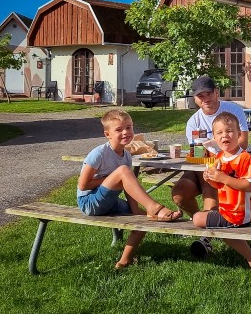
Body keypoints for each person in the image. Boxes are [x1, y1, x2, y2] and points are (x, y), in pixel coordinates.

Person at [77, 109, 181, 270]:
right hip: (89, 202)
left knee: (143, 217)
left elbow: (129, 186)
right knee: (124, 172)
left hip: (109, 202)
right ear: (107, 134)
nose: (125, 132)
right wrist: (115, 177)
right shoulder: (99, 153)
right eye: (118, 129)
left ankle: (125, 260)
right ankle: (154, 207)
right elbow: (82, 185)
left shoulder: (126, 156)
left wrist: (135, 210)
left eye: (129, 127)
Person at [171, 75, 250, 257]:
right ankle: (205, 219)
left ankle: (206, 238)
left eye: (209, 94)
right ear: (195, 99)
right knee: (179, 194)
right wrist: (210, 152)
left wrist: (216, 149)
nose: (206, 99)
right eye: (201, 96)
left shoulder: (233, 110)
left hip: (229, 166)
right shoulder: (193, 121)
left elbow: (243, 143)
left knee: (210, 182)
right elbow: (197, 153)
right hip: (202, 166)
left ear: (216, 92)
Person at [191, 112, 251, 286]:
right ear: (214, 138)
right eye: (219, 133)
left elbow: (250, 185)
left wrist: (223, 178)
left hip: (239, 214)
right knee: (217, 226)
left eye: (229, 131)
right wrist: (210, 178)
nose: (224, 135)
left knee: (197, 218)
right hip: (226, 211)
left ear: (239, 134)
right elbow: (221, 186)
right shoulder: (219, 157)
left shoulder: (244, 158)